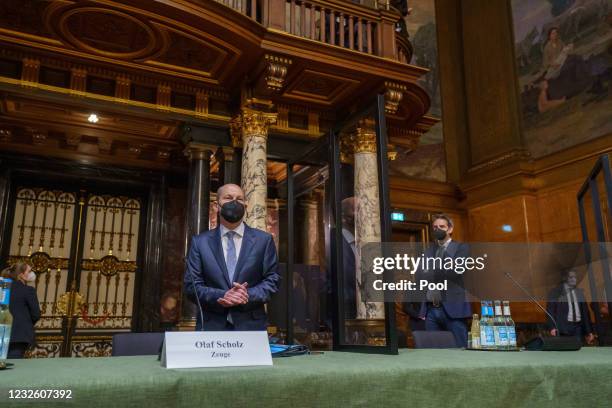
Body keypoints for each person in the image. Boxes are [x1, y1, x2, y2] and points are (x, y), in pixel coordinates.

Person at [183, 183, 281, 331]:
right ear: (217, 206)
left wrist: (245, 295)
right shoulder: (200, 242)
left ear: (246, 206)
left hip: (251, 327)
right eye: (228, 198)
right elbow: (192, 286)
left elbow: (273, 280)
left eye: (239, 199)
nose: (234, 202)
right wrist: (224, 295)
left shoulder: (264, 240)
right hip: (212, 327)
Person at [416, 214, 471, 347]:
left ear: (450, 229)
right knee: (433, 354)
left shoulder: (461, 248)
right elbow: (419, 276)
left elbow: (454, 272)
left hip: (454, 310)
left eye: (442, 226)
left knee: (460, 350)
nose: (438, 229)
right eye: (435, 227)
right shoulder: (428, 251)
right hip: (431, 311)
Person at [1, 262, 40, 358]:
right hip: (18, 336)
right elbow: (36, 314)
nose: (32, 274)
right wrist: (25, 322)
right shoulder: (28, 290)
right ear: (21, 275)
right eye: (29, 271)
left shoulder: (3, 288)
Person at [545, 269, 595, 345]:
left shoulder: (579, 293)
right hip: (563, 328)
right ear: (565, 278)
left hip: (578, 328)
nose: (574, 279)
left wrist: (589, 331)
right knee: (564, 352)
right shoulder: (555, 292)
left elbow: (585, 313)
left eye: (575, 277)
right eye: (571, 277)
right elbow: (550, 311)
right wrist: (552, 327)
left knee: (578, 352)